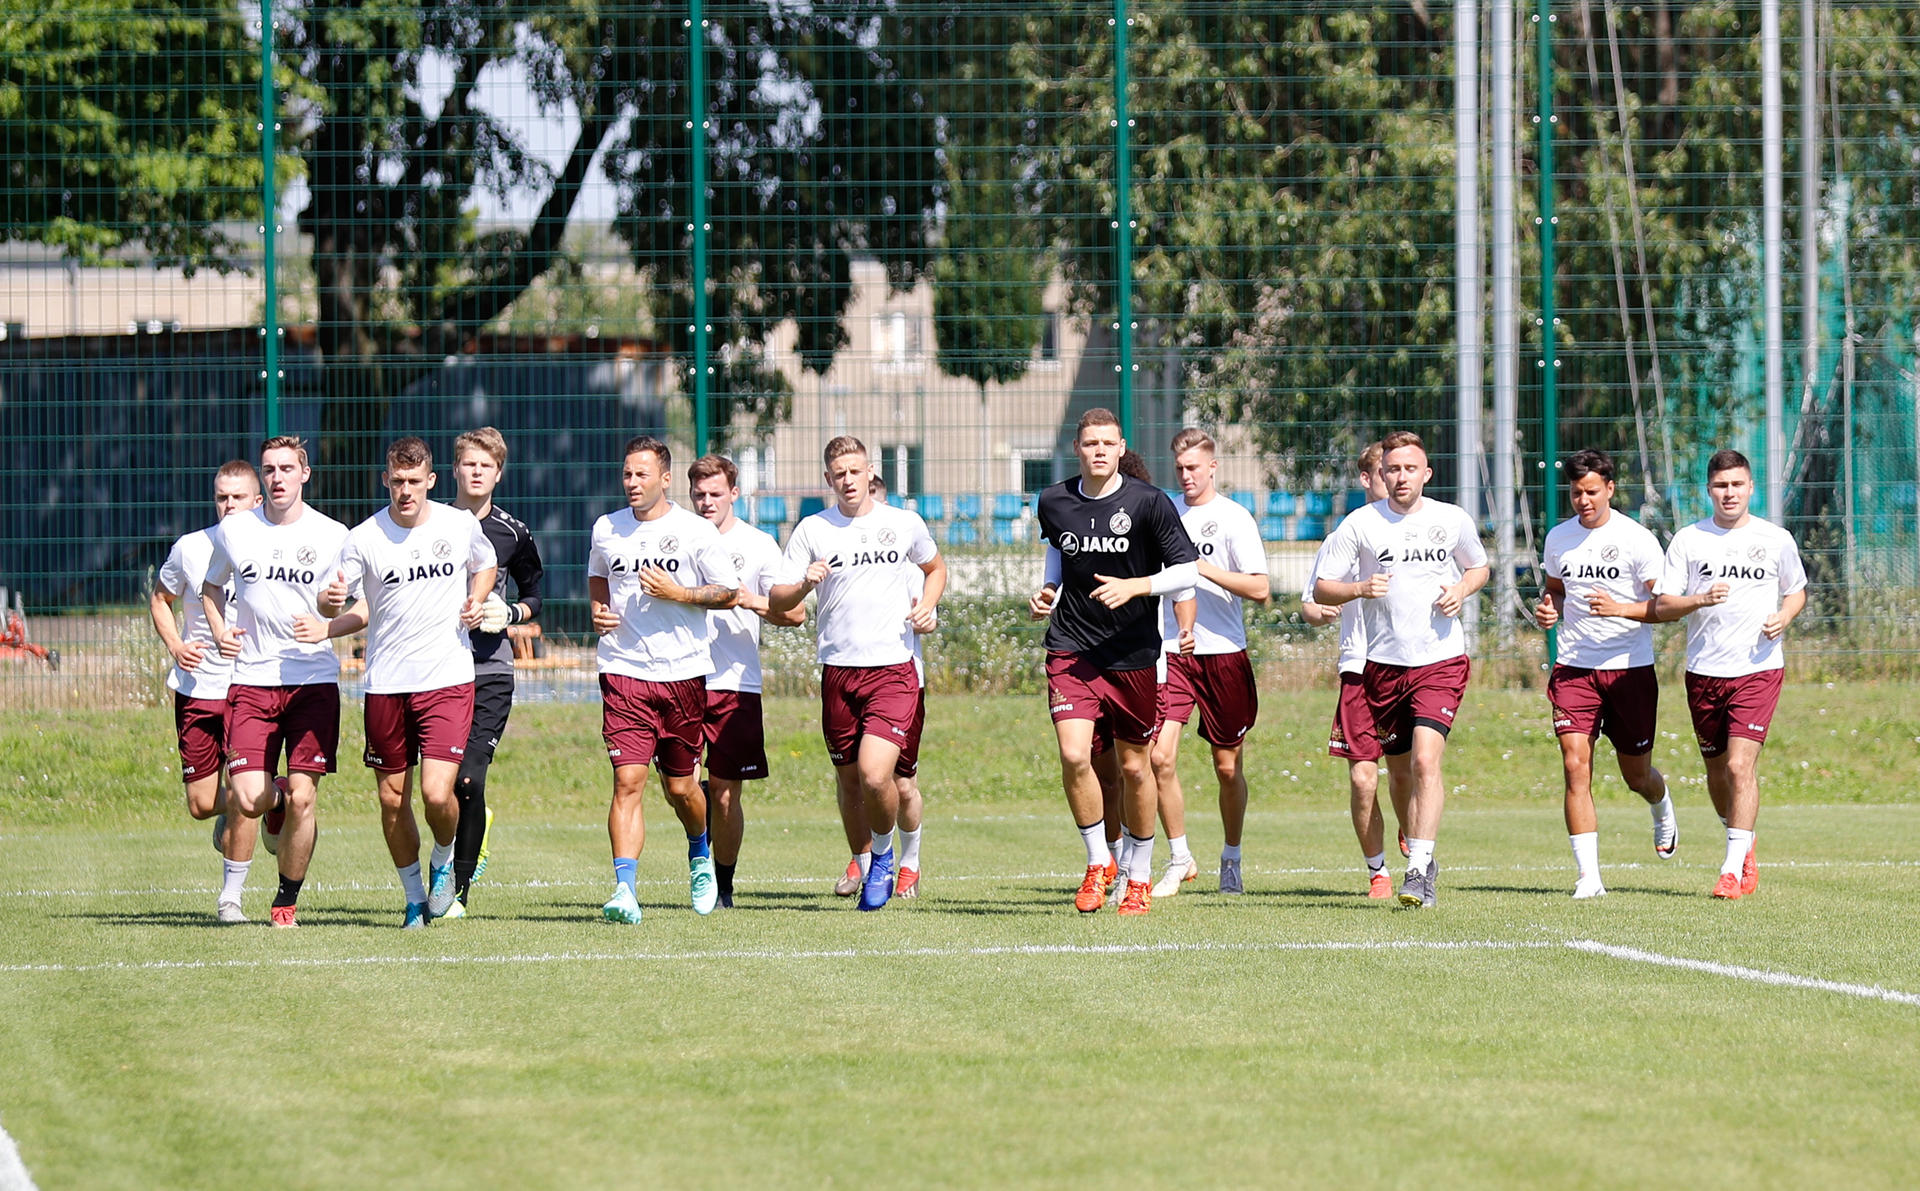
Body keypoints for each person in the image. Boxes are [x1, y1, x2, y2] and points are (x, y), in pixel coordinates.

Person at [318, 437, 497, 927]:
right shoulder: (363, 538)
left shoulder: (458, 524)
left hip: (447, 680)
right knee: (391, 797)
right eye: (397, 481)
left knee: (439, 793)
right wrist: (330, 603)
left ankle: (443, 858)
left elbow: (485, 565)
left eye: (414, 482)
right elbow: (340, 604)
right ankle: (414, 898)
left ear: (431, 482)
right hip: (386, 685)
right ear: (385, 480)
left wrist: (477, 598)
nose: (405, 491)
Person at [1029, 408, 1199, 916]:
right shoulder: (1054, 501)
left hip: (1133, 654)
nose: (1099, 450)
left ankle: (1140, 876)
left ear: (1122, 447)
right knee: (1076, 755)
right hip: (1071, 648)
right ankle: (1099, 860)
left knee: (1133, 766)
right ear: (1077, 449)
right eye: (1090, 443)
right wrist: (1049, 590)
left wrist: (1138, 586)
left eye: (1108, 443)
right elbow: (1059, 552)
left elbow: (1186, 570)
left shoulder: (1149, 503)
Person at [1313, 429, 1489, 909]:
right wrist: (1359, 589)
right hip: (1380, 669)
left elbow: (1478, 566)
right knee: (1387, 775)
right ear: (1380, 474)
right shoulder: (1359, 524)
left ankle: (1418, 869)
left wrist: (1462, 589)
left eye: (1410, 468)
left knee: (1425, 761)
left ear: (1426, 473)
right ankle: (1392, 865)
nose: (1401, 476)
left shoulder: (1451, 519)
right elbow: (1323, 588)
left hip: (1440, 661)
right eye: (1393, 469)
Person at [768, 436, 945, 912]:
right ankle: (865, 865)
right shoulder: (812, 529)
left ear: (870, 472)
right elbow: (779, 599)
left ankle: (888, 859)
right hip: (839, 674)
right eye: (838, 473)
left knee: (875, 776)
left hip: (893, 670)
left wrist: (927, 607)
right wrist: (804, 582)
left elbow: (935, 568)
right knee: (848, 781)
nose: (847, 480)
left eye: (855, 470)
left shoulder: (902, 523)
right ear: (828, 479)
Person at [588, 436, 741, 924]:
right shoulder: (606, 528)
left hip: (683, 676)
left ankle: (700, 850)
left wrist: (680, 592)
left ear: (665, 478)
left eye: (642, 474)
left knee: (681, 789)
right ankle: (625, 890)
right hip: (623, 671)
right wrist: (599, 608)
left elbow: (729, 593)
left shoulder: (694, 531)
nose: (632, 483)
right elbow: (598, 576)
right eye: (627, 474)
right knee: (627, 781)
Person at [201, 436, 350, 929]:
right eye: (269, 469)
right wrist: (221, 630)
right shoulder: (236, 530)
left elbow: (340, 606)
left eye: (287, 468)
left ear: (305, 474)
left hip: (312, 680)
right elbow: (211, 586)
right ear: (262, 479)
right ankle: (276, 799)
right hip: (253, 680)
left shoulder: (333, 535)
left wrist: (327, 613)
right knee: (246, 798)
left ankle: (285, 900)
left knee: (307, 797)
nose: (278, 476)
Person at [1646, 449, 1806, 899]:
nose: (1729, 493)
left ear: (1751, 487)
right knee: (1717, 773)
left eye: (1737, 484)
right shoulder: (1689, 540)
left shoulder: (1776, 539)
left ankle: (1731, 870)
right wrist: (1699, 599)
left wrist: (1784, 617)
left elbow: (1796, 591)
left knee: (1740, 766)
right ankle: (1744, 841)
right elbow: (1663, 604)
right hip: (1704, 673)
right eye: (1721, 485)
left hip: (1758, 670)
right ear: (1709, 490)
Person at [1532, 448, 1678, 899]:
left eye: (1592, 492)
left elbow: (1665, 607)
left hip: (1629, 672)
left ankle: (1661, 805)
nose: (1584, 500)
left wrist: (1621, 609)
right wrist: (1547, 609)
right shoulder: (1558, 538)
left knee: (1637, 776)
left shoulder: (1638, 540)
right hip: (1574, 669)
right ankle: (1589, 878)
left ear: (1610, 489)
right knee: (1576, 766)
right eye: (1576, 493)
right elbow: (1555, 589)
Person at [1148, 429, 1270, 898]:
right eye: (1179, 469)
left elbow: (1260, 589)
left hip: (1224, 655)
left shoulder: (1234, 518)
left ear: (1213, 467)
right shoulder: (1164, 512)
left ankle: (1232, 856)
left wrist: (1198, 567)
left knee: (1226, 767)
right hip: (1174, 652)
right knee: (1160, 756)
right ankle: (1180, 858)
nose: (1186, 476)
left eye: (1194, 468)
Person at [150, 460, 263, 923]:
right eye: (222, 497)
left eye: (238, 497)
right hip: (197, 690)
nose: (228, 505)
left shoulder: (271, 548)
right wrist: (176, 645)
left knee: (242, 791)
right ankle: (267, 798)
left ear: (257, 501)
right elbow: (160, 599)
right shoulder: (191, 548)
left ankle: (229, 898)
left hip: (250, 687)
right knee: (201, 804)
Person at [688, 454, 803, 908]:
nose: (707, 502)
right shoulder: (674, 536)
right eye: (699, 494)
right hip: (678, 676)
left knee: (723, 793)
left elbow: (792, 613)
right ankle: (700, 855)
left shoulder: (758, 545)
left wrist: (746, 599)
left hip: (735, 682)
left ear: (734, 493)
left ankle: (722, 885)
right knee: (682, 786)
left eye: (716, 494)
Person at [1300, 442, 1408, 898]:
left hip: (1406, 666)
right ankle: (1378, 871)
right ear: (1367, 478)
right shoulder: (1345, 533)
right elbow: (1310, 602)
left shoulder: (1419, 530)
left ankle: (1413, 834)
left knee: (1405, 773)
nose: (1396, 480)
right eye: (1386, 472)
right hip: (1358, 668)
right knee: (1364, 778)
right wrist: (1329, 607)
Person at [446, 426, 545, 916]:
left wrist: (511, 614)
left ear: (499, 473)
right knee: (438, 787)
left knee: (468, 781)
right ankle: (467, 830)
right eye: (470, 463)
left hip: (490, 669)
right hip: (436, 672)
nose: (477, 471)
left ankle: (456, 895)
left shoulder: (513, 531)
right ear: (456, 469)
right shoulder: (433, 524)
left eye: (487, 464)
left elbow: (534, 596)